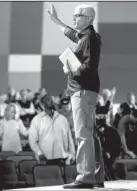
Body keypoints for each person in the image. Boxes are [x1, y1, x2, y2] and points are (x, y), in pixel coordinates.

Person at [47, 4, 104, 188]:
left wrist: (69, 69)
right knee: (90, 134)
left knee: (83, 135)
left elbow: (89, 67)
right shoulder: (87, 36)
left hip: (82, 90)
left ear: (87, 19)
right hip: (85, 90)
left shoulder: (89, 38)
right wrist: (56, 21)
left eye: (77, 15)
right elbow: (70, 32)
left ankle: (85, 177)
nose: (73, 18)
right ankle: (97, 176)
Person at [29, 94, 75, 166]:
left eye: (50, 100)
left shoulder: (62, 119)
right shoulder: (36, 120)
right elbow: (32, 140)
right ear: (42, 105)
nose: (49, 102)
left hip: (62, 158)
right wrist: (39, 153)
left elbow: (70, 140)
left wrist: (72, 154)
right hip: (44, 159)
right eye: (46, 100)